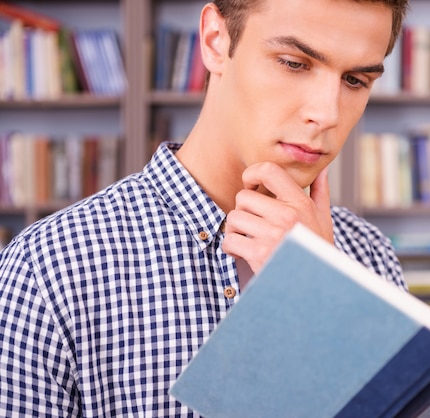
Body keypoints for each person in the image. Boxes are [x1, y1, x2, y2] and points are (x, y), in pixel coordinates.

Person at [0, 0, 409, 415]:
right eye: (293, 63)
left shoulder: (368, 253)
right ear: (216, 41)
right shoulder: (49, 267)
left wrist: (331, 300)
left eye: (355, 80)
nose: (326, 114)